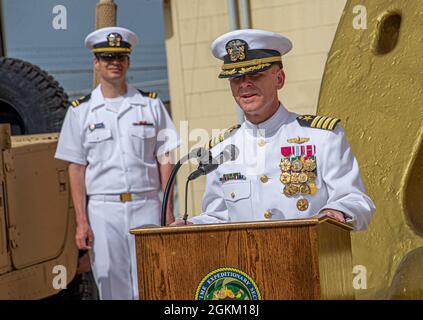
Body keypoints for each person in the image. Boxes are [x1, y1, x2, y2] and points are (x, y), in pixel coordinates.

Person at [173, 29, 374, 230]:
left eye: (255, 75)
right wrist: (190, 224)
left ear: (279, 79)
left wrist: (335, 213)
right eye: (236, 79)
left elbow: (355, 199)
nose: (245, 85)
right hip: (244, 259)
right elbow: (218, 217)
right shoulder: (221, 149)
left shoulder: (322, 136)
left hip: (309, 255)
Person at [55, 26, 181, 299]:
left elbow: (166, 157)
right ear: (96, 63)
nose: (114, 63)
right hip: (103, 209)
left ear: (128, 61)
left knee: (154, 280)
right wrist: (81, 222)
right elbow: (76, 168)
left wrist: (168, 211)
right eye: (107, 57)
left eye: (120, 57)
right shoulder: (80, 111)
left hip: (147, 204)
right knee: (111, 283)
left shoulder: (150, 105)